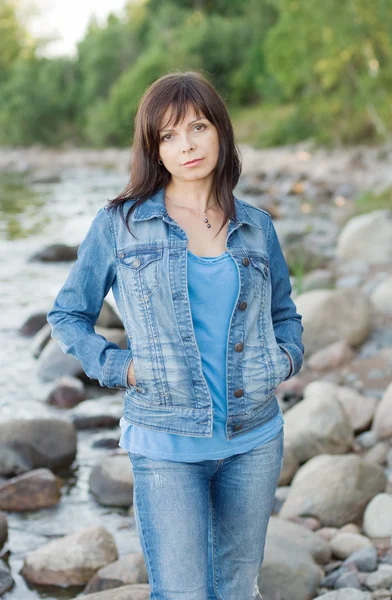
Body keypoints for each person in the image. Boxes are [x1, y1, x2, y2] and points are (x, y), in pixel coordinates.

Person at [47, 70, 304, 600]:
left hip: (254, 438)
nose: (186, 145)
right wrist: (124, 368)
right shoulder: (120, 224)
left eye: (198, 127)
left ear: (220, 133)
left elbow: (286, 315)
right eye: (168, 135)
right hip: (165, 443)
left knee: (236, 590)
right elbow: (68, 314)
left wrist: (283, 361)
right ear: (153, 148)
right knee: (182, 593)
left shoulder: (257, 226)